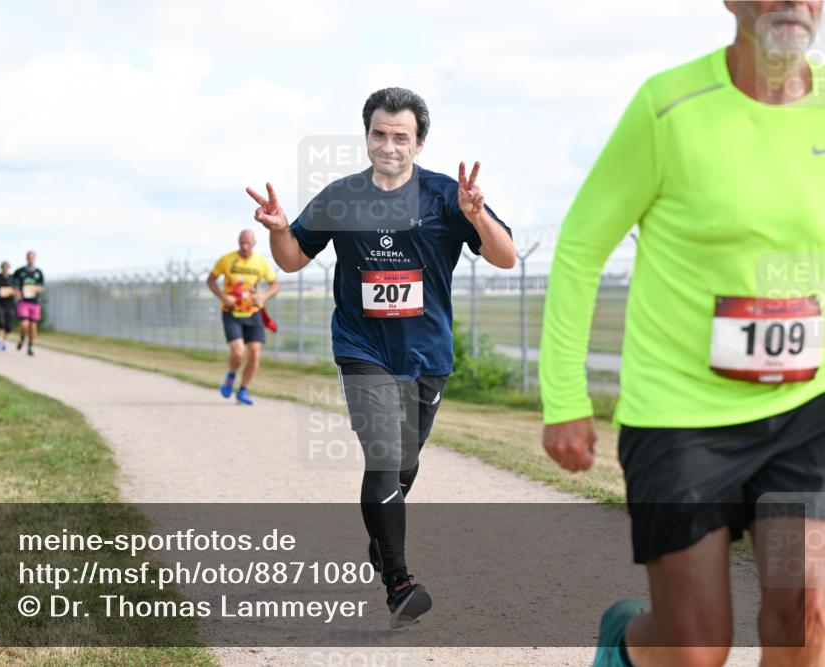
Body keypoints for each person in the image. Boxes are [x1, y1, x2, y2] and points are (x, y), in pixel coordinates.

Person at [538, 2, 825, 666]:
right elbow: (580, 246)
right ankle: (623, 642)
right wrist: (565, 399)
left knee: (807, 616)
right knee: (695, 647)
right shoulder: (668, 107)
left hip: (804, 414)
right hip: (681, 418)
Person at [246, 87, 516, 628]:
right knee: (385, 455)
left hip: (427, 353)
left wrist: (478, 216)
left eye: (400, 137)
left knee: (405, 461)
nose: (388, 146)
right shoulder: (341, 196)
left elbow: (506, 257)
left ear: (419, 143)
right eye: (379, 134)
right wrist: (277, 232)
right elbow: (293, 259)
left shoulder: (448, 195)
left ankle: (381, 533)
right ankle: (399, 582)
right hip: (361, 346)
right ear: (366, 135)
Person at [206, 229, 281, 405]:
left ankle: (243, 390)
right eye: (242, 242)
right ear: (238, 242)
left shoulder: (261, 262)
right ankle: (231, 375)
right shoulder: (226, 260)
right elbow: (211, 280)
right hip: (231, 312)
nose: (245, 246)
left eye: (248, 242)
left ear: (254, 243)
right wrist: (223, 297)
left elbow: (275, 284)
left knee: (255, 353)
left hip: (254, 313)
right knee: (238, 352)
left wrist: (263, 296)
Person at [13, 251, 45, 357]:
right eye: (29, 257)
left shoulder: (38, 272)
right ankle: (22, 338)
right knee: (24, 324)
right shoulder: (19, 271)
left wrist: (37, 289)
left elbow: (42, 287)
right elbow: (13, 285)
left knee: (33, 326)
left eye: (32, 257)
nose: (31, 259)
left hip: (34, 302)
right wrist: (17, 292)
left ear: (35, 258)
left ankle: (30, 346)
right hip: (23, 302)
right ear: (26, 258)